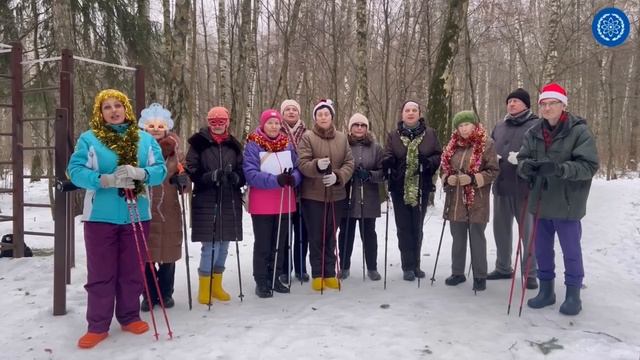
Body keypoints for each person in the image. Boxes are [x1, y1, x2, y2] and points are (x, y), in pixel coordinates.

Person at [67, 89, 167, 349]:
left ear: (126, 109)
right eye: (107, 107)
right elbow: (75, 171)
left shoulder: (144, 139)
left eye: (117, 106)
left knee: (132, 270)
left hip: (137, 213)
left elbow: (160, 170)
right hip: (101, 216)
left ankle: (129, 316)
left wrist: (141, 173)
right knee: (101, 273)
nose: (113, 111)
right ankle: (98, 325)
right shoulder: (89, 139)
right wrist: (104, 180)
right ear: (100, 113)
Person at [517, 83, 599, 315]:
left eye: (553, 103)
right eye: (544, 104)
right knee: (542, 249)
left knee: (571, 250)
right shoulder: (533, 133)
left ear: (563, 105)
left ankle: (573, 294)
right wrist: (527, 167)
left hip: (567, 203)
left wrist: (560, 169)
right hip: (540, 202)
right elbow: (521, 160)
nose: (548, 108)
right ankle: (546, 291)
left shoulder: (578, 131)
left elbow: (589, 165)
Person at [185, 106, 245, 304]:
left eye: (221, 121)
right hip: (206, 198)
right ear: (208, 122)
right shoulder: (198, 143)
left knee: (225, 243)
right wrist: (210, 176)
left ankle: (216, 285)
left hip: (229, 198)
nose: (218, 126)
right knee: (210, 245)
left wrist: (237, 177)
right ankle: (204, 287)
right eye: (213, 122)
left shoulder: (234, 144)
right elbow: (191, 169)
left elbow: (242, 169)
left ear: (227, 122)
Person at [244, 109, 302, 297]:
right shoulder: (254, 144)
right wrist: (275, 180)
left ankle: (275, 276)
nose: (274, 126)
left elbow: (296, 167)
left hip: (284, 200)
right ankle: (261, 280)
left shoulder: (286, 144)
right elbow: (250, 173)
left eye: (277, 123)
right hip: (262, 202)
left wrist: (294, 178)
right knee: (263, 243)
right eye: (270, 123)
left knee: (281, 242)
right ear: (263, 124)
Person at [297, 99, 354, 291]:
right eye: (319, 114)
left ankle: (329, 272)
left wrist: (338, 176)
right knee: (316, 235)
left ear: (332, 117)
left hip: (336, 194)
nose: (323, 117)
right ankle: (317, 274)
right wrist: (315, 166)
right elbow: (302, 163)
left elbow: (349, 163)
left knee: (331, 235)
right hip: (313, 195)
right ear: (315, 117)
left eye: (326, 114)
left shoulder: (342, 138)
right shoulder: (307, 137)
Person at [137, 103, 190, 311]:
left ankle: (166, 293)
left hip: (168, 209)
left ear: (167, 127)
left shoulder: (176, 152)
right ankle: (149, 294)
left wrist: (183, 181)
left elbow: (185, 177)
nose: (156, 129)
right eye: (151, 125)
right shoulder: (137, 149)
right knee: (146, 256)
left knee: (168, 255)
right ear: (144, 128)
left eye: (160, 125)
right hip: (144, 207)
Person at [382, 101, 442, 281]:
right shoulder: (393, 135)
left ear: (419, 113)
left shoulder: (430, 134)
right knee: (404, 227)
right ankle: (407, 265)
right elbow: (387, 155)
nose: (410, 113)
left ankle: (416, 264)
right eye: (407, 110)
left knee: (417, 226)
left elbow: (438, 155)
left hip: (421, 186)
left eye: (414, 110)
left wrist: (428, 162)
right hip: (399, 187)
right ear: (402, 114)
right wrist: (389, 163)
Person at [440, 111, 499, 291]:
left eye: (467, 124)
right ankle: (458, 272)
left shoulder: (486, 144)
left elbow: (493, 171)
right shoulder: (452, 146)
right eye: (460, 125)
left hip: (477, 201)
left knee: (476, 238)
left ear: (474, 125)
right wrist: (446, 178)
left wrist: (474, 179)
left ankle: (480, 275)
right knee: (457, 237)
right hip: (455, 200)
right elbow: (444, 168)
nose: (464, 128)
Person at [488, 88, 541, 290]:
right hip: (501, 184)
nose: (511, 104)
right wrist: (494, 158)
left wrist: (522, 160)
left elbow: (541, 152)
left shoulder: (536, 125)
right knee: (500, 230)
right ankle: (503, 267)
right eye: (509, 101)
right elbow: (490, 147)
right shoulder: (500, 125)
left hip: (524, 187)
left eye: (516, 101)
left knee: (528, 233)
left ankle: (531, 273)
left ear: (526, 105)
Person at [337, 113, 384, 281]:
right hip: (346, 196)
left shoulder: (376, 148)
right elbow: (337, 167)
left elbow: (383, 172)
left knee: (369, 234)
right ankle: (344, 266)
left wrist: (369, 174)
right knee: (346, 233)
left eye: (362, 125)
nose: (359, 128)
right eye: (355, 125)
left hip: (368, 197)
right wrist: (346, 174)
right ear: (350, 128)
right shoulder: (342, 145)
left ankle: (372, 267)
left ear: (367, 128)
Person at [279, 99, 310, 282]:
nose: (291, 112)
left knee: (302, 231)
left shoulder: (307, 133)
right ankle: (284, 268)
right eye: (287, 110)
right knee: (284, 230)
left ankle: (301, 266)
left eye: (294, 110)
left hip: (304, 187)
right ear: (282, 113)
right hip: (283, 187)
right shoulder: (275, 130)